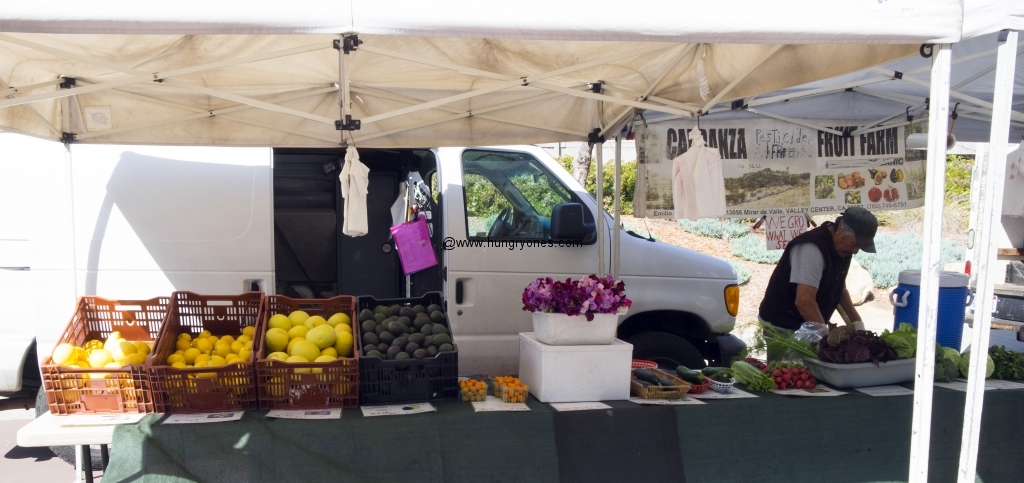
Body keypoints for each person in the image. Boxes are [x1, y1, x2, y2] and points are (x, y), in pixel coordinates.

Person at [758, 207, 878, 332]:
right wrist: (825, 337)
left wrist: (858, 325)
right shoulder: (812, 249)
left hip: (808, 325)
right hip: (782, 325)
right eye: (854, 244)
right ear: (840, 231)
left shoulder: (842, 249)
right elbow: (804, 301)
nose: (855, 251)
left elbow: (840, 289)